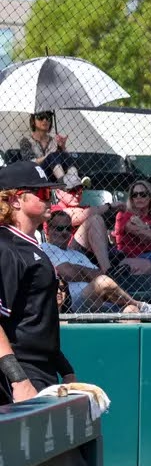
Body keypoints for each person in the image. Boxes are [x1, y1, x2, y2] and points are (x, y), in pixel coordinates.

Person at [0, 161, 76, 404]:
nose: (49, 199)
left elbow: (34, 320)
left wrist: (65, 369)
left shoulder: (30, 247)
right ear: (14, 200)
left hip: (40, 369)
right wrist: (18, 379)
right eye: (42, 193)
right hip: (20, 373)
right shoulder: (5, 247)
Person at [42, 212, 151, 315]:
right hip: (76, 302)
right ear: (48, 231)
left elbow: (97, 274)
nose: (64, 232)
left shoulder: (78, 255)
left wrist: (80, 271)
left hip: (101, 299)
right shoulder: (45, 248)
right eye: (59, 228)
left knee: (131, 311)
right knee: (102, 282)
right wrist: (87, 273)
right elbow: (68, 273)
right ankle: (142, 305)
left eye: (68, 228)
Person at [19, 111, 75, 180]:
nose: (45, 120)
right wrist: (48, 156)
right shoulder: (26, 141)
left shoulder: (54, 140)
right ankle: (65, 183)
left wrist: (62, 147)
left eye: (48, 117)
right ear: (33, 120)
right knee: (52, 156)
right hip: (36, 175)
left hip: (53, 175)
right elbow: (30, 163)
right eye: (41, 117)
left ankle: (74, 180)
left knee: (64, 154)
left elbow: (66, 160)